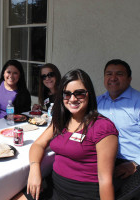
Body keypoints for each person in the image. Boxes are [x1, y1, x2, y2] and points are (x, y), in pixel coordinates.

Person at [18, 69, 118, 200]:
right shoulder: (61, 121)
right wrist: (35, 168)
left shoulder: (102, 127)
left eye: (79, 93)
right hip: (54, 186)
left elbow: (105, 180)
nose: (73, 99)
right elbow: (38, 144)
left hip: (82, 194)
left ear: (89, 94)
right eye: (67, 94)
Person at [97, 59, 140, 182]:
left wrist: (135, 164)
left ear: (129, 79)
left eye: (119, 74)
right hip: (103, 160)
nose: (113, 78)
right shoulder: (97, 102)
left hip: (138, 164)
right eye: (109, 74)